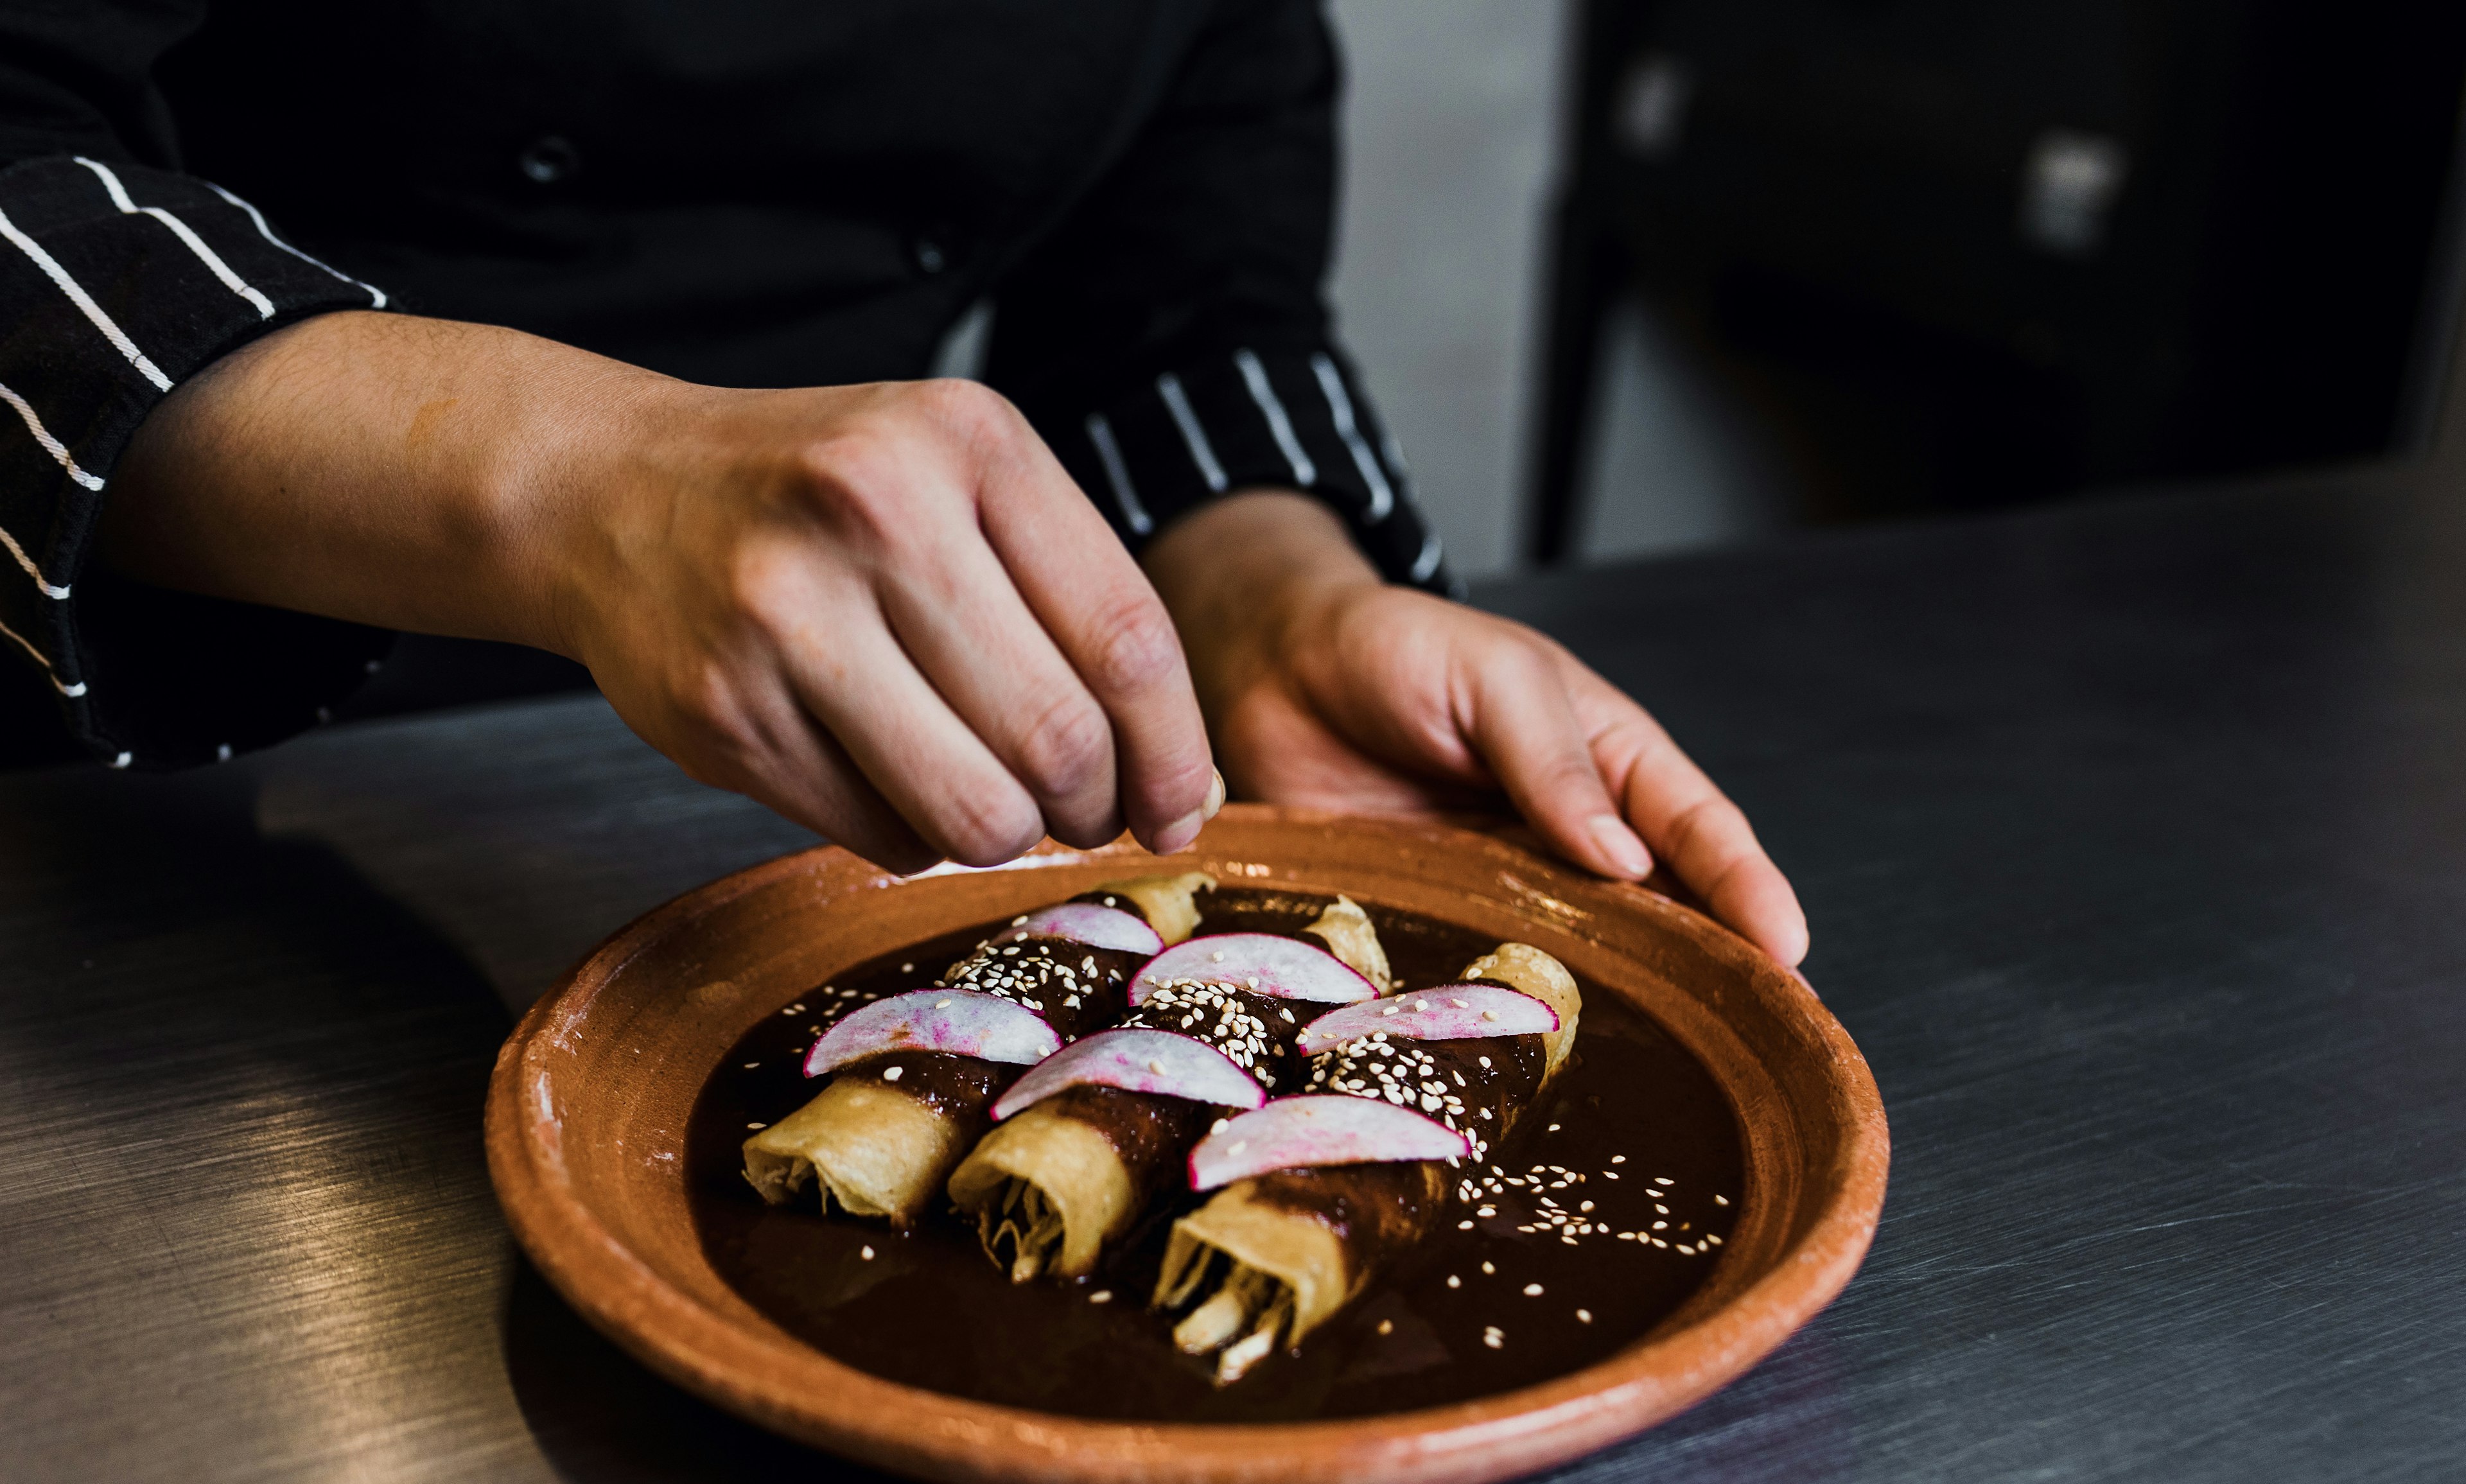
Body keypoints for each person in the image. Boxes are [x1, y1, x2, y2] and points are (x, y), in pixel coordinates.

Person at [0, 0, 1807, 964]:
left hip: (833, 829)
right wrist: (574, 482)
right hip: (131, 826)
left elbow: (1186, 299)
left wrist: (1279, 597)